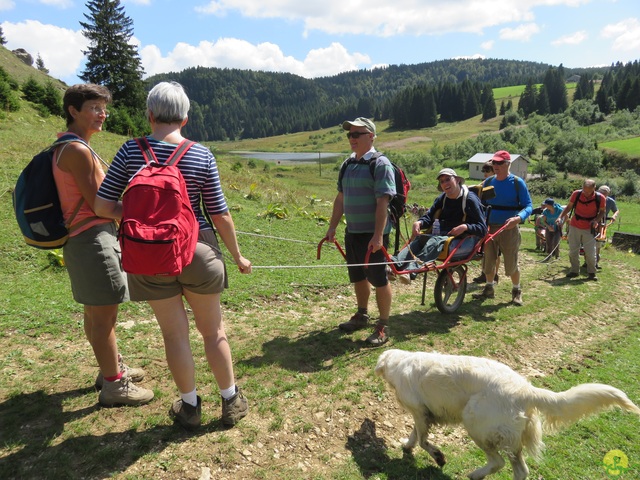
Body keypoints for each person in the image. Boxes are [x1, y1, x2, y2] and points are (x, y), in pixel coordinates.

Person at [95, 81, 252, 429]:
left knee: (174, 335)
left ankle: (190, 407)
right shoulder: (200, 154)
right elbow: (220, 214)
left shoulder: (129, 151)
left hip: (148, 255)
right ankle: (230, 400)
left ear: (149, 116)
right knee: (213, 332)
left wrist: (141, 218)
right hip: (197, 250)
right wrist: (238, 256)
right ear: (185, 118)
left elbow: (102, 205)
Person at [53, 84, 154, 407]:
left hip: (84, 238)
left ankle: (108, 368)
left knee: (96, 311)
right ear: (74, 111)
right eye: (95, 108)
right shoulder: (78, 151)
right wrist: (147, 215)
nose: (102, 114)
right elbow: (101, 205)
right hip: (93, 238)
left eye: (103, 108)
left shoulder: (71, 146)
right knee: (104, 314)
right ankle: (114, 385)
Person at [325, 117, 395, 346]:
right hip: (352, 231)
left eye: (357, 134)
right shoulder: (348, 164)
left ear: (371, 136)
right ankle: (362, 314)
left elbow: (383, 202)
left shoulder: (381, 164)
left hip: (373, 234)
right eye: (350, 135)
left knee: (379, 279)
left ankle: (383, 325)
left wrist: (377, 236)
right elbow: (341, 198)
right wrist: (332, 227)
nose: (352, 138)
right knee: (357, 276)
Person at [390, 168, 486, 282]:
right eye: (442, 181)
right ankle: (396, 265)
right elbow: (429, 217)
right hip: (442, 235)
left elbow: (482, 228)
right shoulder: (442, 198)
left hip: (463, 240)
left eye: (447, 179)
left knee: (434, 241)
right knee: (421, 239)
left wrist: (465, 227)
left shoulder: (470, 200)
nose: (445, 183)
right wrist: (419, 222)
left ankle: (411, 271)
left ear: (457, 180)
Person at [472, 150, 532, 306]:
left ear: (508, 164)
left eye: (499, 163)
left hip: (509, 228)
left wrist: (518, 218)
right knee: (488, 261)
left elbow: (528, 206)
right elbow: (479, 203)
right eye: (494, 163)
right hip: (489, 228)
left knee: (511, 263)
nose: (495, 165)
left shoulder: (518, 183)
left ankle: (516, 291)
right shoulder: (488, 182)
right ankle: (489, 288)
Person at [557, 179, 605, 280]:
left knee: (590, 252)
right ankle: (574, 271)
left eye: (589, 191)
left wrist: (596, 220)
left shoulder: (600, 198)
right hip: (575, 225)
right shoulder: (576, 194)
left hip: (589, 227)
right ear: (582, 187)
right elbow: (569, 207)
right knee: (573, 251)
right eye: (584, 190)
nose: (586, 193)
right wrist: (560, 216)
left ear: (594, 188)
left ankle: (592, 273)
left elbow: (602, 212)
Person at [473, 161, 500, 284]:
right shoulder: (484, 184)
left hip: (497, 221)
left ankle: (494, 275)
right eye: (483, 171)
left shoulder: (498, 184)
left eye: (487, 171)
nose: (484, 174)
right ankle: (485, 273)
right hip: (486, 220)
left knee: (496, 250)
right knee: (486, 248)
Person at [595, 185, 619, 268]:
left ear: (608, 194)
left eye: (605, 194)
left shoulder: (610, 201)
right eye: (601, 193)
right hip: (590, 222)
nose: (603, 195)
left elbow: (616, 210)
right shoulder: (593, 198)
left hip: (601, 224)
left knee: (598, 243)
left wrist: (614, 216)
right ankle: (587, 261)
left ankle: (595, 262)